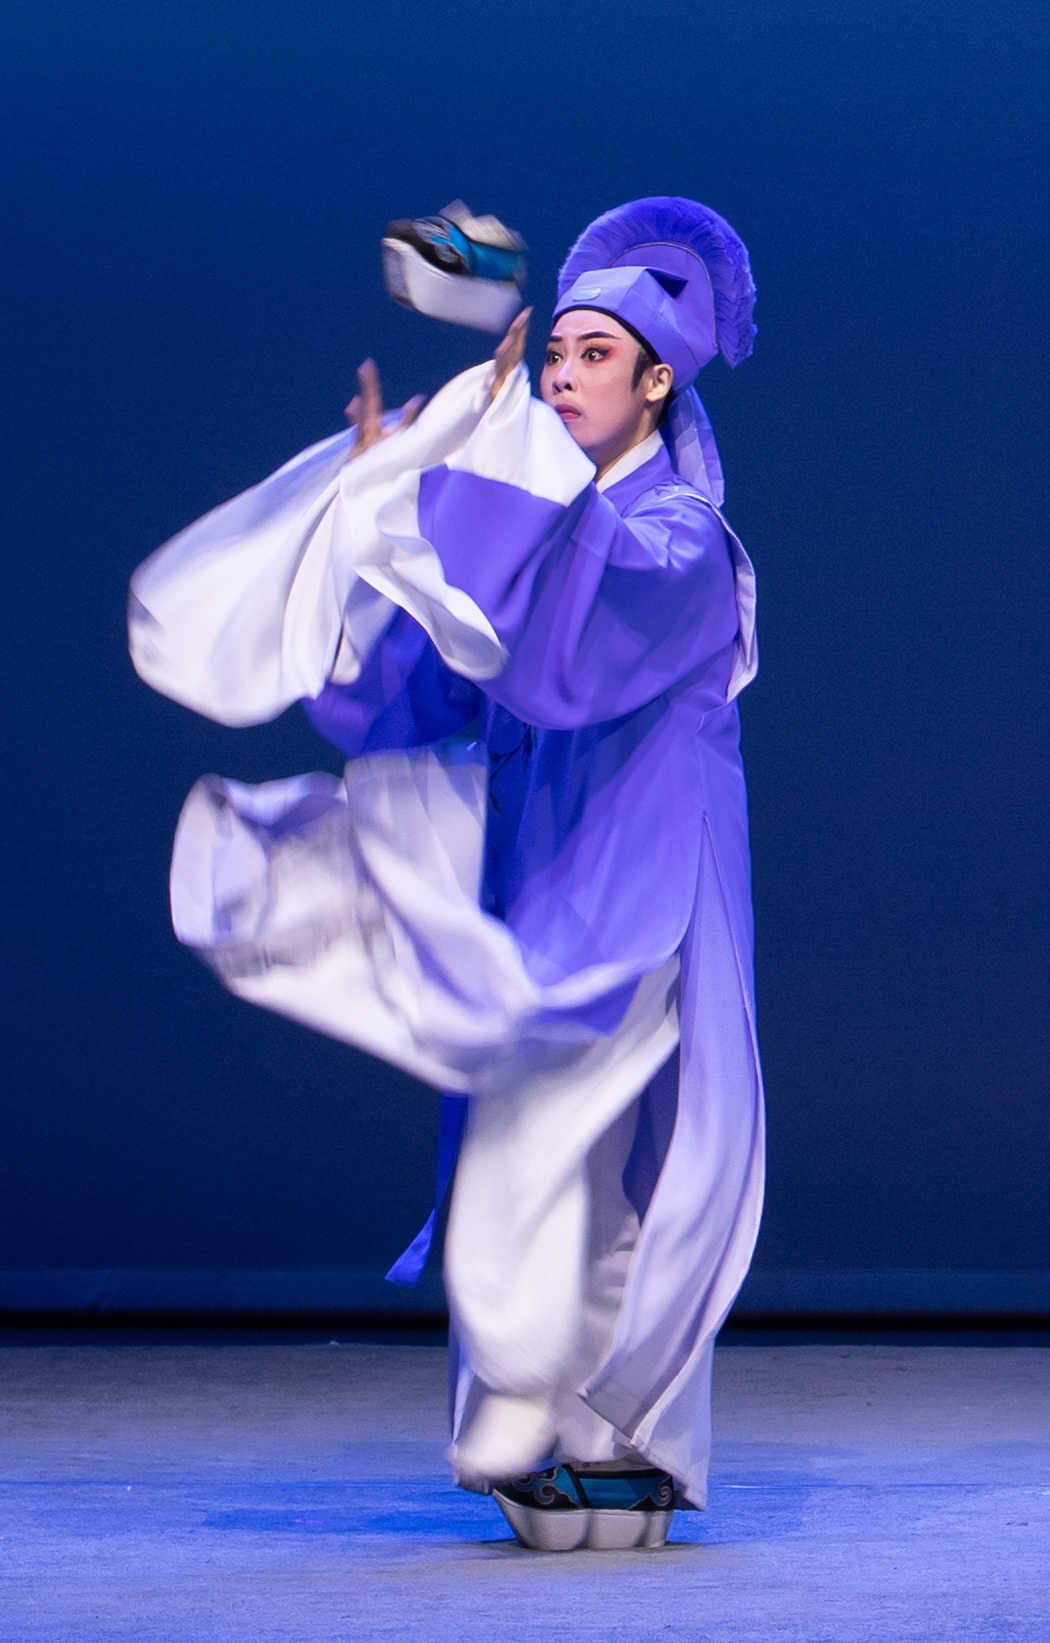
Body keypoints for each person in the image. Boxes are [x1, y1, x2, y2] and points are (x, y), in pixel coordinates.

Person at [129, 196, 764, 1552]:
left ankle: (627, 1434)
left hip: (652, 855)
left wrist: (469, 476)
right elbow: (421, 687)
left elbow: (576, 636)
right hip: (543, 858)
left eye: (594, 356)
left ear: (658, 381)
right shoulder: (554, 535)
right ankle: (532, 1422)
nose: (564, 376)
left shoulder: (682, 541)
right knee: (523, 1114)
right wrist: (385, 511)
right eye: (557, 354)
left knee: (632, 1134)